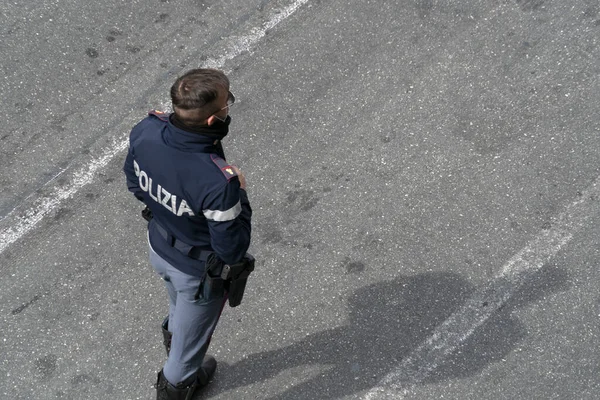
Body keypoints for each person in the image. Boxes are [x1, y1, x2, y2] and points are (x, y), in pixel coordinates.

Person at [123, 68, 252, 399]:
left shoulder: (146, 131)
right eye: (227, 104)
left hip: (159, 245)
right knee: (187, 346)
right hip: (195, 271)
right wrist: (239, 192)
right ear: (213, 121)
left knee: (177, 304)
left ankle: (178, 343)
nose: (228, 109)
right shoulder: (216, 182)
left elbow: (135, 182)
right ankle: (177, 383)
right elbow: (231, 248)